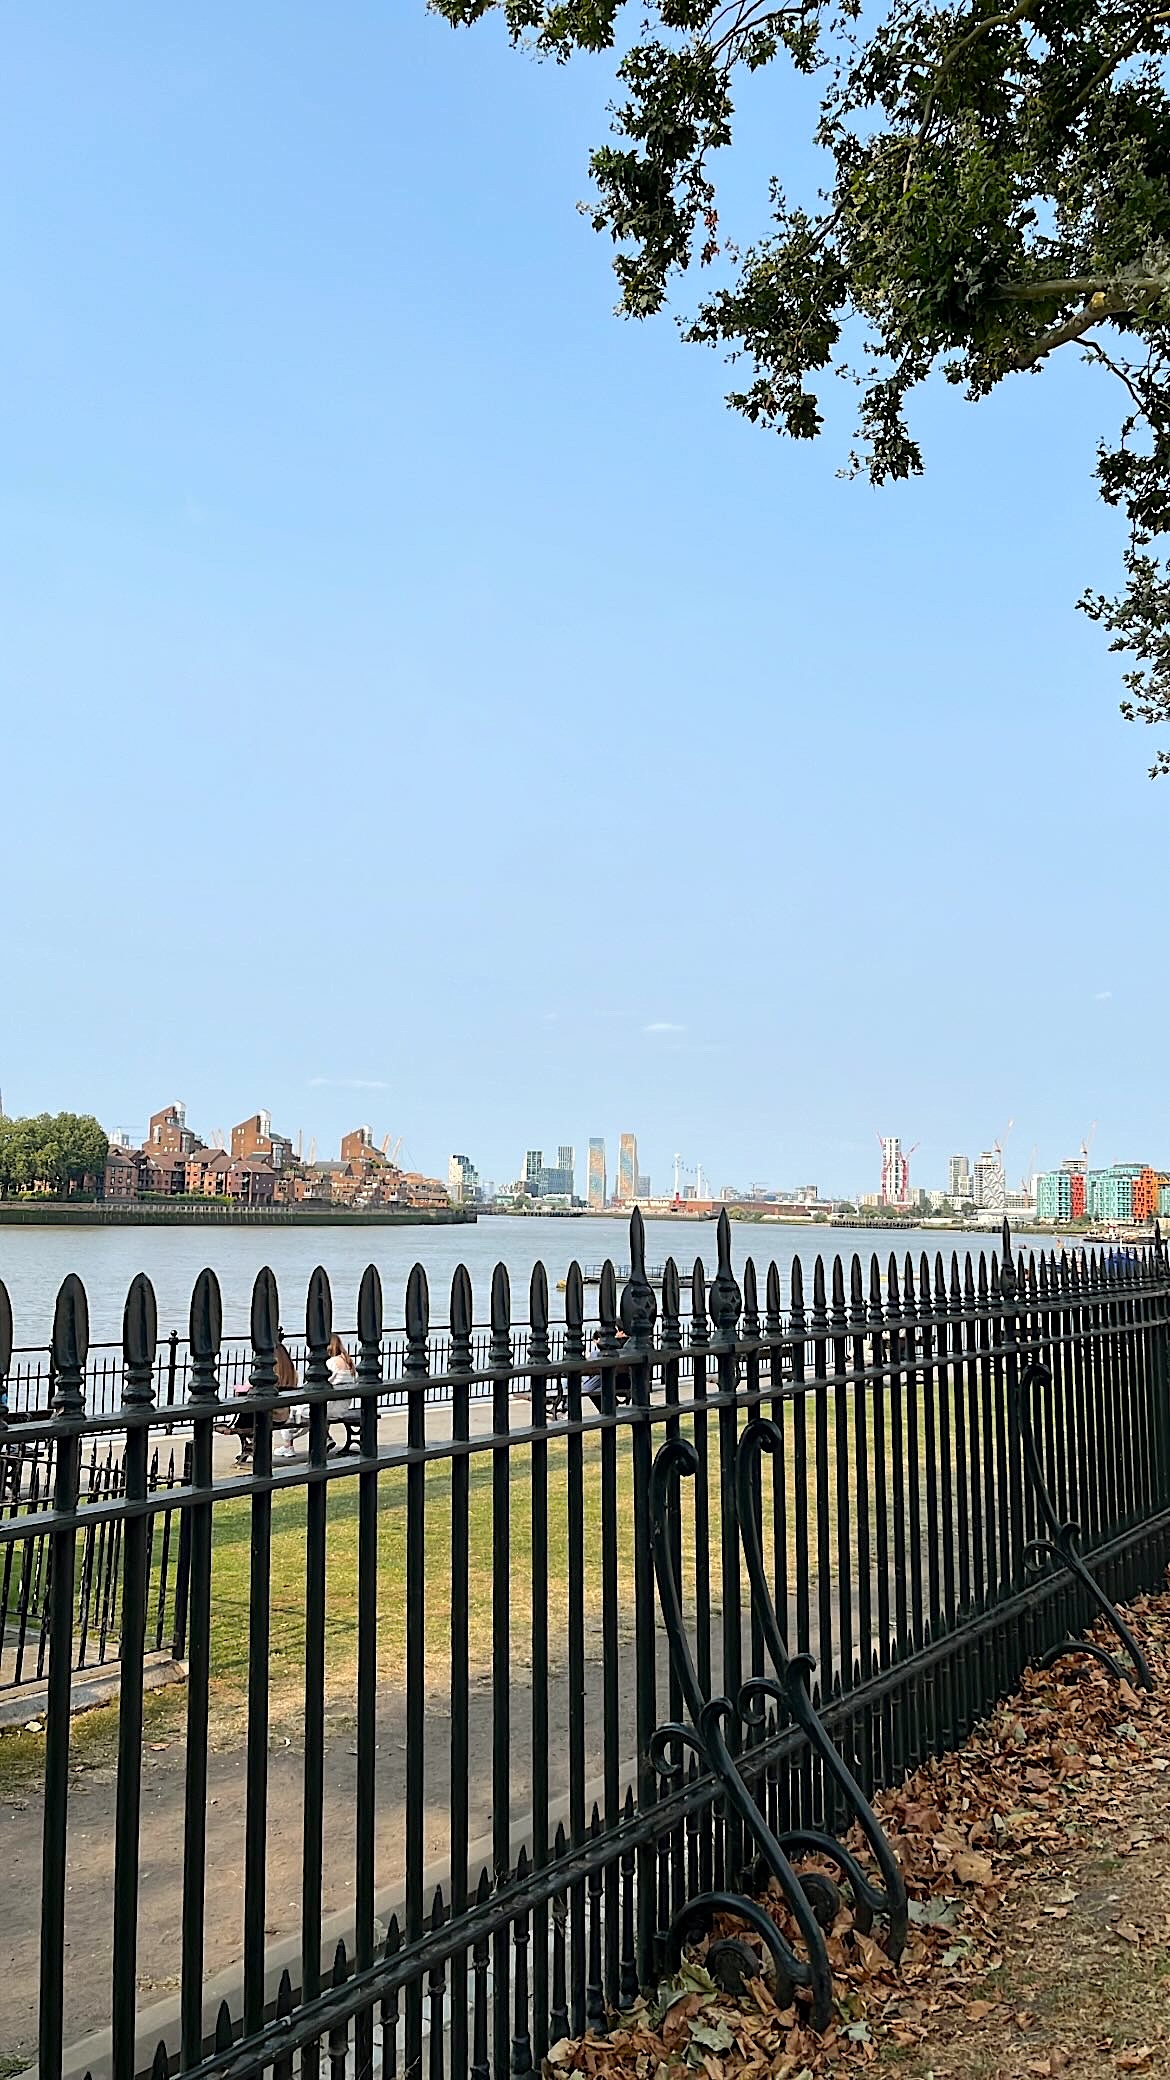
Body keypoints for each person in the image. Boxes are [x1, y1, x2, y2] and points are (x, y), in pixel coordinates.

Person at [273, 1332, 309, 1460]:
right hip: (286, 1413)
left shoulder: (269, 1378)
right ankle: (288, 1446)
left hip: (273, 1415)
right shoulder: (293, 1374)